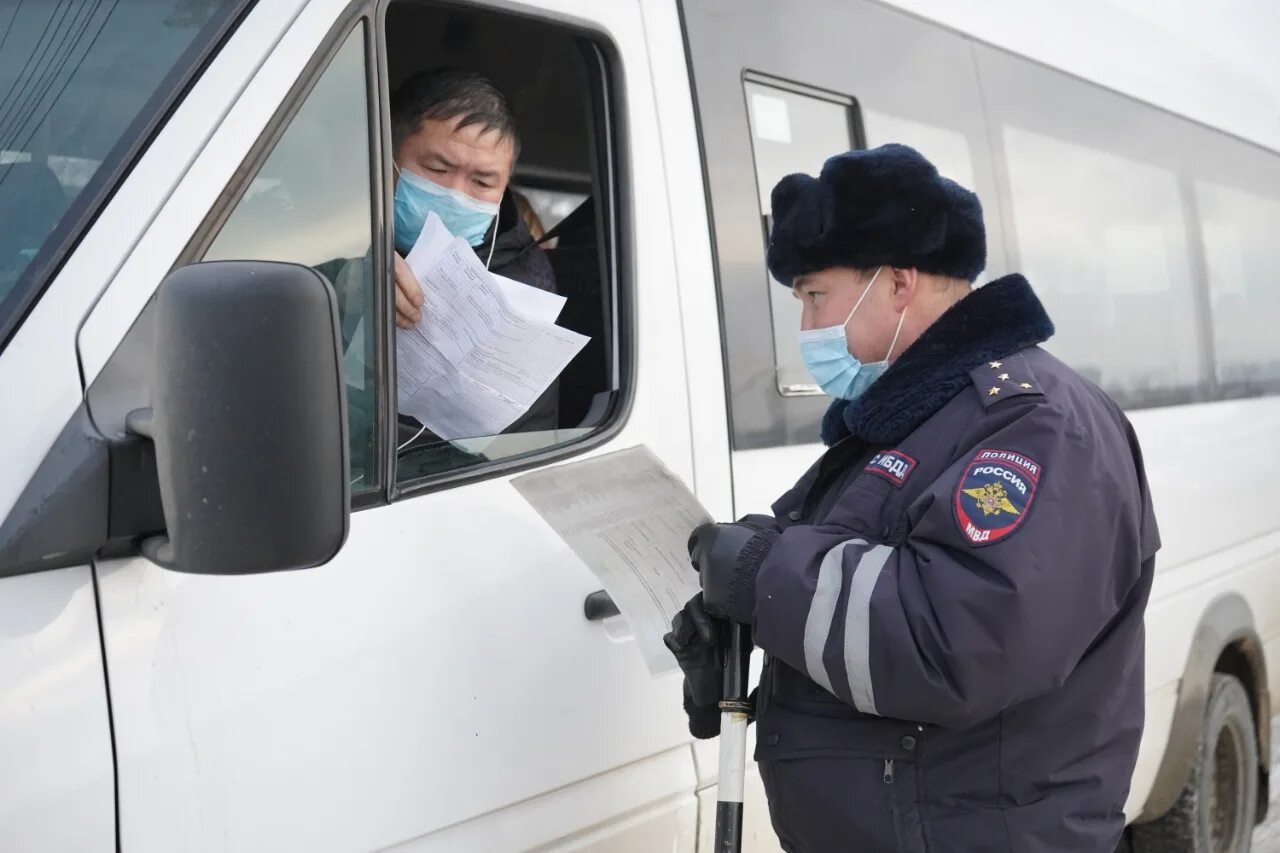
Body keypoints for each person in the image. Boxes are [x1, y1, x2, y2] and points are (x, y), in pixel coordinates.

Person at [666, 144, 1160, 852]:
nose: (807, 328)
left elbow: (955, 641)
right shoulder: (913, 417)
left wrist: (761, 576)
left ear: (897, 283)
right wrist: (733, 614)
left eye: (814, 296)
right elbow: (835, 558)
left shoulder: (1035, 424)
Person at [389, 68, 558, 441]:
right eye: (437, 168)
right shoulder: (330, 234)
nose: (455, 193)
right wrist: (344, 280)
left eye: (482, 182)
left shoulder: (525, 289)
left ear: (503, 187)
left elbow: (519, 447)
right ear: (387, 159)